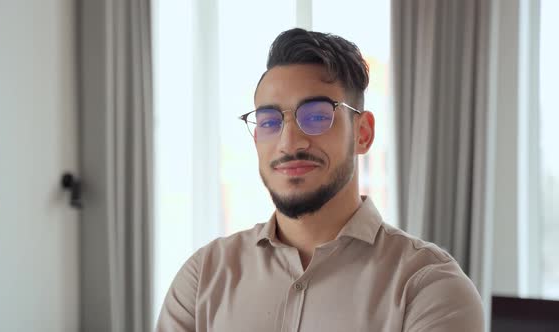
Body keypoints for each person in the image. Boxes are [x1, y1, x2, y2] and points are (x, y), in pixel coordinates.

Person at [157, 28, 484, 332]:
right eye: (270, 121)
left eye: (316, 116)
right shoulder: (203, 277)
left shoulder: (429, 287)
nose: (289, 142)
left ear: (363, 133)